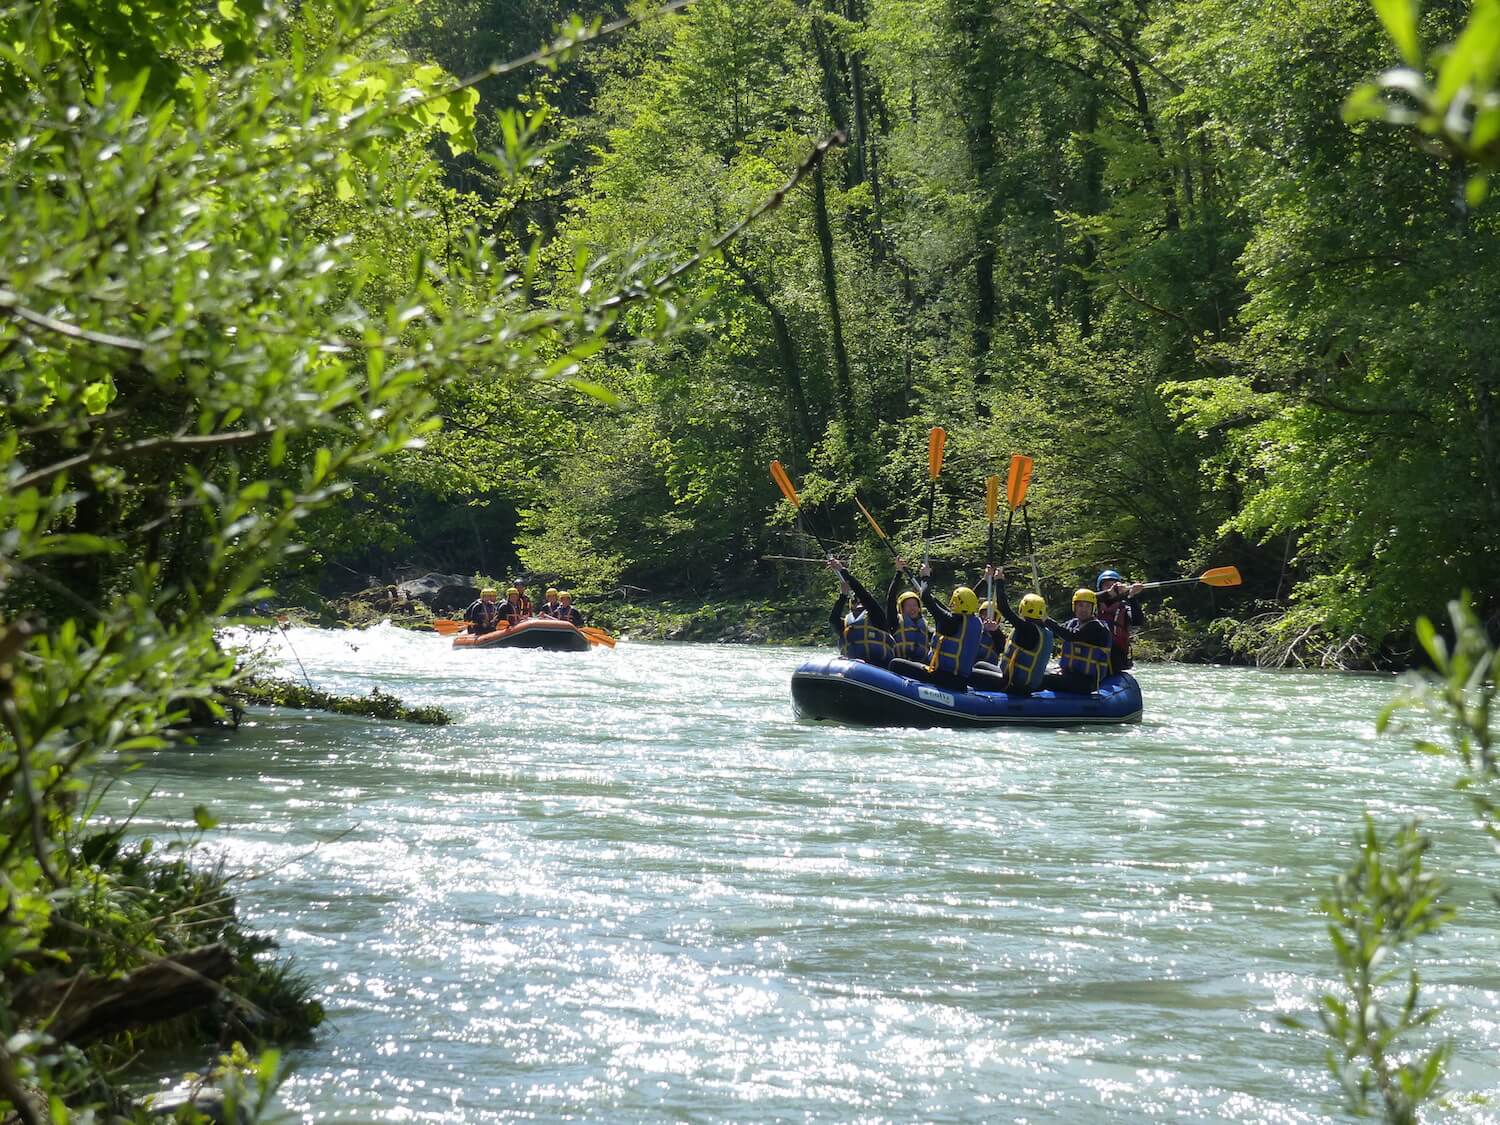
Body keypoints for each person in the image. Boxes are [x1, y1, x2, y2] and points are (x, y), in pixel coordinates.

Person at [970, 568, 1052, 695]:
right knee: (980, 665)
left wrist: (999, 581)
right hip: (1016, 680)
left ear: (1022, 608)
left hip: (1014, 685)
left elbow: (1003, 607)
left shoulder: (1027, 629)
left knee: (971, 673)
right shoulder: (1041, 630)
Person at [888, 583, 983, 690]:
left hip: (941, 677)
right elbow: (966, 599)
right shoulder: (976, 622)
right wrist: (984, 580)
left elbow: (925, 597)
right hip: (961, 682)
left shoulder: (949, 621)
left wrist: (925, 578)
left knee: (895, 664)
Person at [1040, 586, 1115, 694]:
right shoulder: (1074, 623)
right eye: (1080, 605)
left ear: (1093, 608)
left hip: (1087, 681)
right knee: (1040, 673)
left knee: (1043, 678)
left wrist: (1046, 620)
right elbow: (1056, 633)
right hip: (1070, 674)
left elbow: (1072, 636)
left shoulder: (1096, 627)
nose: (1083, 609)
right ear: (1074, 607)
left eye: (1088, 606)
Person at [826, 559, 894, 665]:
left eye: (860, 601)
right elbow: (833, 619)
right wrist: (843, 595)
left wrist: (842, 571)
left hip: (878, 666)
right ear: (851, 606)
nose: (859, 603)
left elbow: (863, 595)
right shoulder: (845, 625)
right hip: (852, 666)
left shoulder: (877, 618)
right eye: (855, 601)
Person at [1095, 569, 1146, 673]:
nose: (1111, 587)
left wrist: (1132, 597)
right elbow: (1084, 598)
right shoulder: (1092, 604)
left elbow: (1137, 621)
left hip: (1116, 657)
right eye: (1107, 585)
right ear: (1100, 588)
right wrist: (1109, 593)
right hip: (1094, 653)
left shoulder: (1124, 607)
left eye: (1114, 585)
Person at [885, 557, 931, 665]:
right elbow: (890, 599)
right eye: (908, 605)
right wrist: (898, 573)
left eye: (915, 605)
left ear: (919, 608)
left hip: (921, 665)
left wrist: (926, 577)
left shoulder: (925, 626)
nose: (912, 608)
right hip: (901, 664)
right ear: (901, 608)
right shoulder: (895, 621)